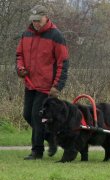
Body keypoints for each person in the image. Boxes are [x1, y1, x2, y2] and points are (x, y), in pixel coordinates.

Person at [16, 5, 69, 160]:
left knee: (37, 115)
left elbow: (63, 62)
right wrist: (20, 68)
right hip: (30, 82)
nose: (36, 23)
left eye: (38, 20)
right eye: (33, 21)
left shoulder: (56, 35)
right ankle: (51, 138)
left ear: (46, 17)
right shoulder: (26, 34)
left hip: (47, 86)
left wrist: (57, 86)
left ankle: (37, 151)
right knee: (27, 115)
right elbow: (19, 55)